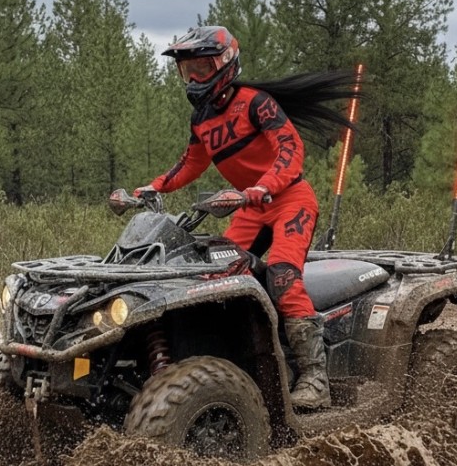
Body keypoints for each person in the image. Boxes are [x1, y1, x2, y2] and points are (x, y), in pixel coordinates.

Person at [133, 26, 360, 411]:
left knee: (283, 275)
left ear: (225, 64)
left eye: (202, 69)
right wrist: (152, 187)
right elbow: (190, 164)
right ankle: (248, 357)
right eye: (187, 71)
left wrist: (264, 186)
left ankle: (314, 377)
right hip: (250, 206)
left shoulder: (257, 103)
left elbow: (291, 148)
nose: (194, 79)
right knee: (215, 276)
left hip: (289, 199)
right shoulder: (201, 118)